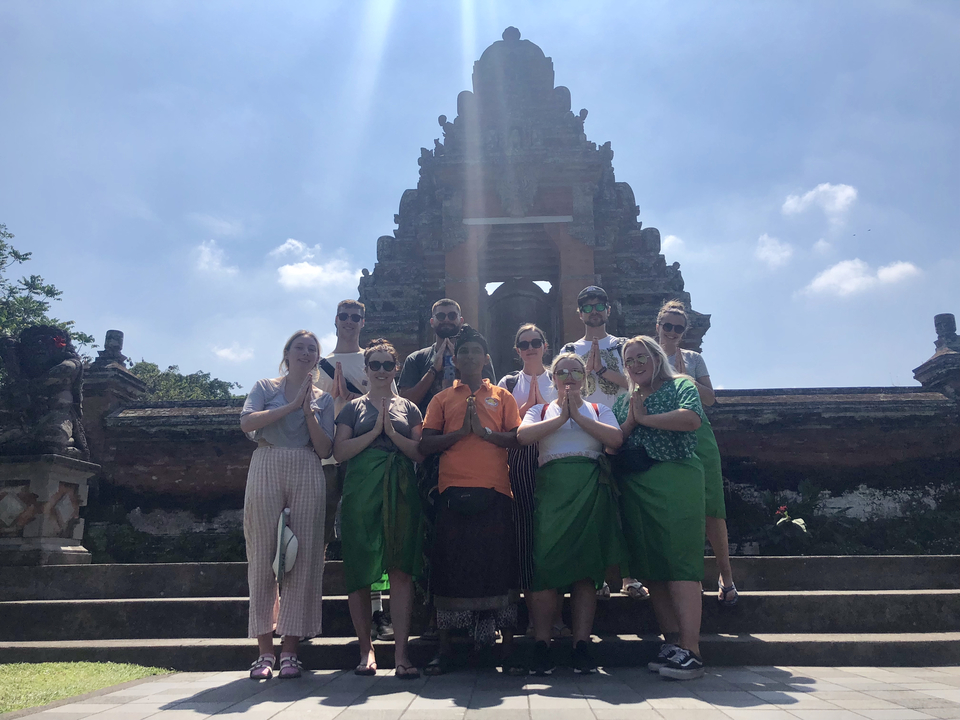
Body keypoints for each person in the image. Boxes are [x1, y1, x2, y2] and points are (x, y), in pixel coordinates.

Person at [419, 325, 523, 675]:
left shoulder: (502, 396)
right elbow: (425, 444)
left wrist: (486, 433)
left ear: (487, 358)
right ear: (454, 359)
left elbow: (517, 439)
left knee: (500, 569)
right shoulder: (442, 399)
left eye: (476, 351)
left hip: (495, 491)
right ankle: (446, 649)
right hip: (453, 492)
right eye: (463, 352)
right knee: (451, 570)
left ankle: (506, 648)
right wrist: (459, 433)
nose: (470, 357)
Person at [517, 352, 625, 675]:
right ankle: (542, 643)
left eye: (575, 371)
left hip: (588, 488)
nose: (568, 377)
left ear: (585, 378)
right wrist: (561, 417)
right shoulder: (540, 410)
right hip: (552, 490)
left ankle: (581, 644)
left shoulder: (598, 409)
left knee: (585, 570)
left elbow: (615, 440)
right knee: (545, 565)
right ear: (553, 379)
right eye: (561, 372)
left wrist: (578, 416)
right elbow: (523, 436)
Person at [239, 330, 334, 680]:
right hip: (267, 462)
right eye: (300, 348)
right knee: (263, 556)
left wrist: (307, 410)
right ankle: (265, 652)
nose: (306, 353)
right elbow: (247, 423)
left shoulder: (323, 399)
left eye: (312, 349)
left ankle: (291, 650)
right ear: (288, 353)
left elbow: (326, 449)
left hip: (307, 465)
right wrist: (291, 406)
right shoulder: (266, 387)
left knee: (304, 558)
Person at [612, 336, 706, 680]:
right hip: (637, 484)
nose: (636, 364)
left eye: (642, 357)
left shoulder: (680, 384)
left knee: (680, 563)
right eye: (630, 359)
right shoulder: (626, 401)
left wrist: (646, 420)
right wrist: (633, 421)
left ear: (655, 356)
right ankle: (673, 643)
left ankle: (692, 649)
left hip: (676, 476)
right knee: (653, 565)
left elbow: (691, 419)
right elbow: (617, 440)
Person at [333, 339, 425, 679]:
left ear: (396, 369)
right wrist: (374, 431)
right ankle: (366, 649)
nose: (382, 371)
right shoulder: (352, 409)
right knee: (359, 567)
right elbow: (340, 452)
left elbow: (419, 453)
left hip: (401, 486)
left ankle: (401, 652)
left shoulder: (410, 409)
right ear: (367, 370)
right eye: (376, 365)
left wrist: (391, 433)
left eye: (388, 365)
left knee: (401, 567)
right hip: (362, 489)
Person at [315, 299, 396, 641]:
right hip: (325, 459)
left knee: (370, 534)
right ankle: (305, 612)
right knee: (315, 536)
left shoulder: (374, 362)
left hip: (364, 456)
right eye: (344, 316)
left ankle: (378, 613)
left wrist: (359, 395)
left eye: (356, 317)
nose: (350, 322)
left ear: (363, 322)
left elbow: (394, 404)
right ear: (336, 320)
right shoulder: (317, 363)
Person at [561, 286, 646, 600]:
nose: (593, 311)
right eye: (587, 307)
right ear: (579, 313)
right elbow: (563, 382)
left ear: (609, 310)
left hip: (622, 424)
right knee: (595, 508)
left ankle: (629, 575)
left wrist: (602, 371)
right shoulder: (570, 348)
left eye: (599, 305)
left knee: (626, 504)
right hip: (584, 429)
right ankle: (596, 578)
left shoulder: (624, 346)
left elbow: (637, 382)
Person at [655, 300, 737, 606]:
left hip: (698, 432)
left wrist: (683, 377)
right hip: (660, 434)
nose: (673, 332)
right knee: (670, 509)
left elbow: (711, 399)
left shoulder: (693, 358)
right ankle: (680, 577)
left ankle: (726, 576)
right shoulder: (646, 356)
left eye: (679, 327)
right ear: (658, 326)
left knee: (712, 506)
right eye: (668, 326)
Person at [497, 324, 561, 634]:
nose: (530, 347)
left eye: (536, 341)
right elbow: (499, 425)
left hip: (554, 458)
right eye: (524, 343)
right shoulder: (508, 382)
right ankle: (533, 616)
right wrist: (526, 411)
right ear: (517, 349)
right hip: (519, 459)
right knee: (524, 532)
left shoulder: (558, 379)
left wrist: (541, 413)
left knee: (554, 534)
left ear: (545, 345)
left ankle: (555, 616)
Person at [398, 298, 496, 416]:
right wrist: (433, 370)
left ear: (460, 320)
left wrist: (461, 364)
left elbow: (489, 398)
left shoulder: (477, 357)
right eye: (440, 316)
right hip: (427, 429)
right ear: (432, 321)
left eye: (452, 316)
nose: (446, 320)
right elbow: (404, 404)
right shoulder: (416, 359)